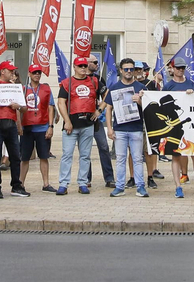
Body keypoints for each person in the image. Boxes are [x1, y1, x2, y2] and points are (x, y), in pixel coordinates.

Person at [56, 55, 101, 194]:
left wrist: (99, 110)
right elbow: (61, 102)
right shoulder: (67, 83)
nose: (83, 68)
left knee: (85, 155)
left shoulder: (94, 81)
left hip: (88, 123)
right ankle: (63, 183)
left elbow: (107, 95)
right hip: (72, 124)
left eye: (84, 66)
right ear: (74, 67)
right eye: (80, 66)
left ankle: (83, 182)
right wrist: (67, 121)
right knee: (67, 154)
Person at [105, 60, 150, 198]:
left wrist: (140, 101)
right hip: (119, 129)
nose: (129, 72)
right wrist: (110, 129)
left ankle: (140, 186)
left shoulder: (141, 87)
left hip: (136, 128)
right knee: (120, 159)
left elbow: (149, 109)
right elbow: (108, 108)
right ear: (121, 71)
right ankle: (119, 187)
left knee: (137, 158)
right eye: (126, 69)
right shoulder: (114, 87)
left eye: (131, 69)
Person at [0, 59, 27, 199]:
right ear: (2, 71)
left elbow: (24, 108)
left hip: (11, 123)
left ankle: (16, 186)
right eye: (10, 70)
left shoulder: (16, 87)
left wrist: (18, 107)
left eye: (13, 70)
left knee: (15, 156)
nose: (12, 73)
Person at [161, 60, 194, 197]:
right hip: (174, 127)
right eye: (178, 68)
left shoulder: (191, 84)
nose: (181, 70)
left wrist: (192, 93)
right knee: (176, 156)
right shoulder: (168, 86)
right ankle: (178, 186)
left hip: (190, 126)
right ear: (172, 69)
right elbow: (161, 103)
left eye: (183, 68)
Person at [20, 63, 57, 193]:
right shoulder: (23, 89)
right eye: (34, 72)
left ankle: (46, 183)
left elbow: (50, 107)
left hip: (42, 127)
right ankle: (21, 183)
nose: (37, 75)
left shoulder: (46, 89)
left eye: (39, 73)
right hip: (27, 127)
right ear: (29, 74)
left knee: (44, 156)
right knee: (24, 158)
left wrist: (50, 126)